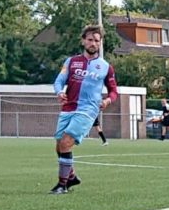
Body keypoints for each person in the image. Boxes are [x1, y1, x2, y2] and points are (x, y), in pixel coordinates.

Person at [50, 25, 119, 194]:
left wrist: (108, 100)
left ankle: (62, 185)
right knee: (59, 146)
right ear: (83, 41)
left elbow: (113, 90)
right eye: (90, 40)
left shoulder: (105, 67)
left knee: (66, 142)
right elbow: (59, 81)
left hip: (88, 109)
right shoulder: (71, 61)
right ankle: (71, 177)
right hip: (68, 107)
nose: (93, 43)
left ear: (100, 43)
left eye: (97, 40)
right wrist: (59, 92)